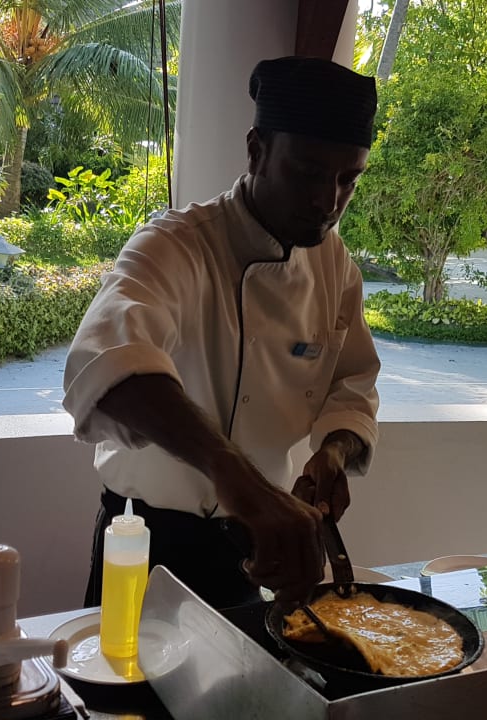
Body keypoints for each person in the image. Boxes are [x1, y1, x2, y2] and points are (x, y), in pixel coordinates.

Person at [62, 56, 381, 609]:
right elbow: (109, 366)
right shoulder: (175, 246)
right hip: (147, 541)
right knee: (125, 666)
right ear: (256, 151)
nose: (328, 201)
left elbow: (352, 381)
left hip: (258, 543)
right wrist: (240, 481)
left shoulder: (334, 266)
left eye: (346, 179)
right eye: (308, 172)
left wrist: (334, 450)